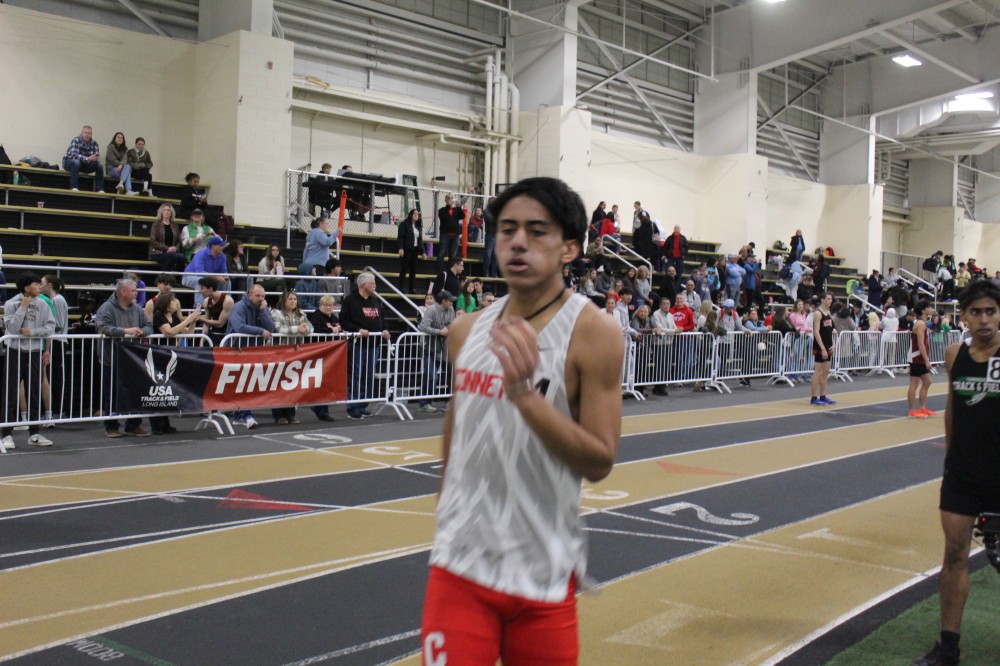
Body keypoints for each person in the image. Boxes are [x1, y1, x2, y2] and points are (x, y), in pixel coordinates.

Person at [421, 177, 623, 665]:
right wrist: (448, 508)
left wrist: (525, 397)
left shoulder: (593, 333)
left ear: (569, 248)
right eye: (508, 229)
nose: (518, 241)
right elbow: (457, 422)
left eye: (537, 231)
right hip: (461, 567)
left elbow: (599, 460)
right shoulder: (467, 330)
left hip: (543, 575)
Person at [913, 281, 1000, 666]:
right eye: (976, 312)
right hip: (963, 475)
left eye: (991, 311)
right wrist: (951, 459)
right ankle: (949, 649)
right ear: (963, 316)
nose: (984, 319)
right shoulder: (954, 355)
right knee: (954, 554)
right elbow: (952, 408)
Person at [1, 273, 56, 452]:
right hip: (15, 351)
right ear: (26, 288)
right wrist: (23, 308)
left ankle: (34, 433)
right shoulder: (11, 303)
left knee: (34, 392)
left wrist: (34, 332)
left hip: (34, 352)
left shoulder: (43, 304)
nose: (40, 287)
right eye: (36, 284)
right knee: (10, 392)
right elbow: (12, 328)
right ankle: (6, 434)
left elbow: (51, 326)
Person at [95, 279, 154, 438]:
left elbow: (149, 326)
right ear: (123, 292)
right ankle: (111, 426)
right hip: (112, 359)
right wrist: (125, 331)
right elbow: (102, 328)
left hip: (133, 359)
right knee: (111, 394)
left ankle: (133, 425)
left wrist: (142, 332)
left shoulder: (137, 309)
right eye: (134, 290)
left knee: (135, 393)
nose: (137, 293)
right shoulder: (106, 308)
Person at [339, 272, 392, 420]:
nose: (375, 286)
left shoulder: (375, 300)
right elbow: (344, 321)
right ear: (364, 284)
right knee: (355, 375)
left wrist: (385, 329)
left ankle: (362, 404)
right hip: (358, 344)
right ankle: (353, 406)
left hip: (374, 344)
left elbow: (382, 318)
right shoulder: (350, 300)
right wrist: (357, 330)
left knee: (368, 375)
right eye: (373, 283)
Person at [149, 292, 201, 436]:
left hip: (170, 355)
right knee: (158, 389)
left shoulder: (175, 317)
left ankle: (165, 423)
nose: (176, 303)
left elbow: (187, 333)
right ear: (166, 303)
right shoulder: (158, 315)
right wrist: (187, 320)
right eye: (173, 301)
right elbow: (169, 332)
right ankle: (157, 424)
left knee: (167, 389)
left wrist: (192, 322)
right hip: (159, 354)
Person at [226, 284, 276, 430]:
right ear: (249, 295)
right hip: (235, 350)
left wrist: (264, 311)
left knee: (247, 384)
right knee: (240, 384)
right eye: (257, 296)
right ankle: (243, 415)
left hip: (253, 352)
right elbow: (240, 327)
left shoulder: (262, 308)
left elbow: (271, 328)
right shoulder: (239, 307)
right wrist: (260, 331)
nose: (261, 299)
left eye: (263, 296)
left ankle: (240, 415)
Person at [270, 289, 314, 425]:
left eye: (295, 299)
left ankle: (290, 414)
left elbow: (311, 327)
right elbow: (279, 329)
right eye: (290, 299)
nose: (293, 301)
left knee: (292, 384)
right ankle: (278, 415)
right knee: (278, 384)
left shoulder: (301, 313)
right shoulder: (276, 313)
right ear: (284, 300)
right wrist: (297, 329)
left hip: (296, 353)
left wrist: (305, 330)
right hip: (280, 353)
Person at [417, 290, 455, 413]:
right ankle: (424, 403)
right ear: (443, 301)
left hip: (442, 347)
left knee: (443, 374)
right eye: (450, 301)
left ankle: (431, 401)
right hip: (428, 347)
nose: (452, 303)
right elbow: (423, 327)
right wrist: (439, 332)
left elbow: (453, 324)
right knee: (431, 375)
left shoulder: (451, 310)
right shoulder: (432, 310)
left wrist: (448, 329)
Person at [908, 299, 935, 419]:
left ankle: (922, 407)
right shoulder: (920, 324)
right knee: (914, 383)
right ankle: (912, 410)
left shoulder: (923, 323)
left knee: (927, 381)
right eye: (929, 307)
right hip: (916, 357)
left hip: (920, 357)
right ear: (923, 310)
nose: (931, 309)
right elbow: (920, 343)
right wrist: (926, 360)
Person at [182, 236, 229, 306]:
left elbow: (224, 272)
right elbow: (199, 272)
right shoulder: (201, 254)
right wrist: (216, 277)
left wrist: (225, 277)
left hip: (209, 278)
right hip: (189, 277)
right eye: (221, 245)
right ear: (213, 246)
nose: (223, 247)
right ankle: (199, 307)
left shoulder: (222, 256)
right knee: (201, 281)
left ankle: (226, 304)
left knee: (227, 282)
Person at [810, 291, 836, 406]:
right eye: (828, 299)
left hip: (828, 344)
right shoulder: (818, 313)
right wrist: (822, 349)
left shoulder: (828, 312)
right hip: (820, 345)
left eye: (831, 299)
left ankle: (823, 395)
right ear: (822, 300)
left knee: (825, 372)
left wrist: (833, 343)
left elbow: (831, 330)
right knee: (818, 371)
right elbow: (816, 332)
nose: (830, 301)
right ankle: (813, 397)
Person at [63, 125, 104, 192]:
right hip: (69, 162)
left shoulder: (95, 143)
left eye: (88, 133)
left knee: (99, 165)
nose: (86, 135)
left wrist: (92, 159)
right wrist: (87, 158)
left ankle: (100, 189)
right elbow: (73, 155)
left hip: (85, 165)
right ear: (82, 133)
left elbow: (96, 157)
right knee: (76, 162)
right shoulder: (76, 140)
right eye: (85, 132)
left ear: (91, 134)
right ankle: (74, 187)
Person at [197, 276, 234, 346]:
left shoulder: (227, 301)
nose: (199, 291)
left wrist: (201, 319)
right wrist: (202, 341)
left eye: (202, 288)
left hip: (227, 336)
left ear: (210, 289)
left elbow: (220, 323)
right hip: (214, 334)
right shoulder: (206, 301)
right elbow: (206, 323)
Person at [149, 203, 186, 273]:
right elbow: (153, 241)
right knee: (172, 257)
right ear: (161, 212)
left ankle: (177, 278)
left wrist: (176, 248)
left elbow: (179, 240)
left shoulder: (175, 225)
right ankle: (163, 277)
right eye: (164, 210)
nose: (166, 211)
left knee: (181, 257)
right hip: (158, 252)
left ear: (171, 212)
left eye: (168, 210)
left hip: (173, 252)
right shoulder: (156, 225)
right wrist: (167, 248)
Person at [397, 209, 425, 294]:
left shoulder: (418, 226)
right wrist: (400, 248)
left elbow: (420, 240)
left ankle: (411, 288)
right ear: (410, 214)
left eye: (417, 214)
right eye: (414, 213)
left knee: (413, 270)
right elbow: (400, 237)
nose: (416, 215)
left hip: (415, 250)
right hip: (406, 250)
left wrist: (423, 252)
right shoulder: (404, 224)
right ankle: (401, 287)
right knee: (404, 269)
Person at [435, 194, 464, 275]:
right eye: (448, 198)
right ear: (445, 200)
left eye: (451, 198)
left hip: (455, 235)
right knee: (441, 254)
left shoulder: (456, 210)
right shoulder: (442, 210)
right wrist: (448, 205)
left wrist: (459, 207)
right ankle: (439, 272)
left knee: (453, 255)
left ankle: (449, 272)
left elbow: (462, 216)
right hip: (445, 235)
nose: (450, 199)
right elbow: (442, 217)